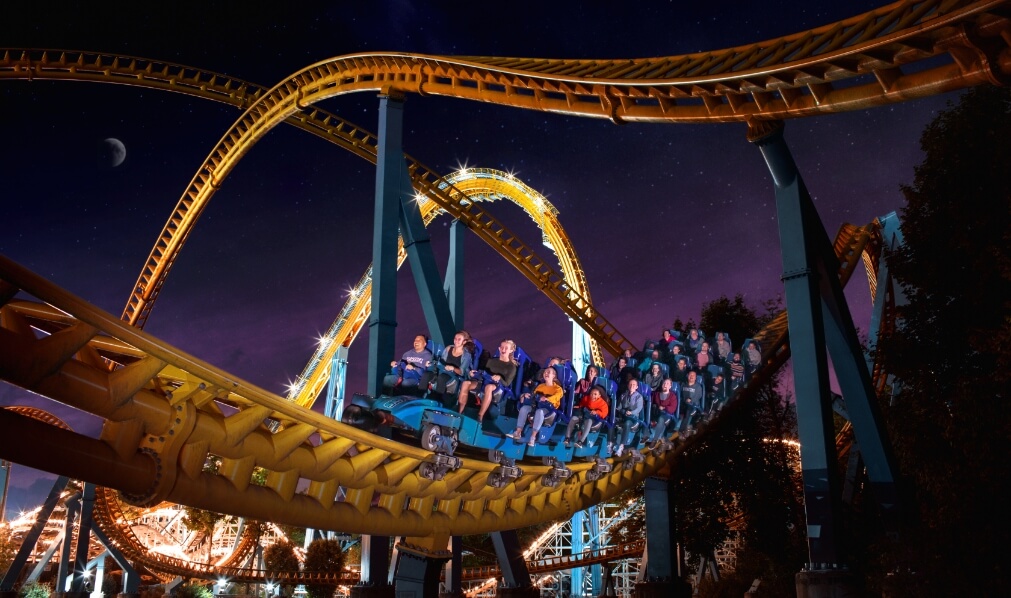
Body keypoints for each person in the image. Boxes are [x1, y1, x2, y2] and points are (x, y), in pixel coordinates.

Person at [459, 339, 518, 422]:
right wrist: (474, 373)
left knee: (489, 387)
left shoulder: (511, 367)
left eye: (506, 348)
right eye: (502, 347)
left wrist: (499, 378)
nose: (503, 350)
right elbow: (483, 373)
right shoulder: (491, 361)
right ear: (499, 348)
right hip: (484, 381)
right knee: (466, 383)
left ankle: (480, 416)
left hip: (498, 387)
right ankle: (460, 411)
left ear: (511, 350)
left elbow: (507, 383)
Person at [509, 366, 564, 447]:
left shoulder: (558, 388)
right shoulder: (540, 386)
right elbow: (533, 395)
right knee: (524, 408)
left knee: (540, 411)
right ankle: (518, 432)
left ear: (554, 376)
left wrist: (547, 399)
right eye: (545, 372)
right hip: (537, 406)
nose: (546, 373)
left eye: (549, 372)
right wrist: (526, 395)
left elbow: (557, 396)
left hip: (549, 410)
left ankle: (533, 437)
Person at [421, 330, 474, 402]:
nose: (456, 341)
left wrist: (453, 368)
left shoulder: (466, 355)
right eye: (455, 339)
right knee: (426, 374)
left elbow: (461, 372)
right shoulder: (449, 348)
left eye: (459, 339)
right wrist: (430, 363)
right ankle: (419, 396)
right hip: (442, 370)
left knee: (441, 378)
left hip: (454, 375)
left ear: (464, 342)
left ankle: (437, 400)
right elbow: (441, 361)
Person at [613, 378, 644, 457]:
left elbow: (638, 408)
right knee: (612, 421)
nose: (632, 386)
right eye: (630, 384)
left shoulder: (639, 397)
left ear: (637, 387)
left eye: (634, 385)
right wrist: (618, 410)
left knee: (627, 423)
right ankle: (611, 443)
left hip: (633, 418)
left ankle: (621, 446)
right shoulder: (623, 395)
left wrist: (631, 413)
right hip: (623, 415)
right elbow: (619, 407)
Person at [647, 378, 680, 447]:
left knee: (661, 419)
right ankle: (646, 435)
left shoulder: (672, 396)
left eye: (667, 384)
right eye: (664, 383)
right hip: (658, 413)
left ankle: (655, 439)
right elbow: (651, 401)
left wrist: (665, 408)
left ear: (670, 386)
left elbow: (672, 408)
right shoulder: (657, 394)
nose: (665, 385)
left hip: (668, 415)